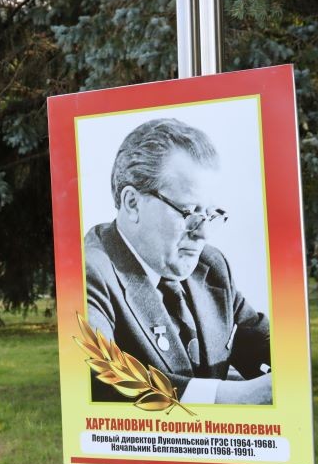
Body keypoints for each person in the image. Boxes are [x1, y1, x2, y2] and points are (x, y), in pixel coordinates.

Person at [85, 118, 271, 405]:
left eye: (210, 214)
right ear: (132, 203)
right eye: (189, 212)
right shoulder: (89, 271)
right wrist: (231, 397)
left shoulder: (212, 266)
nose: (204, 233)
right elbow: (97, 378)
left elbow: (266, 347)